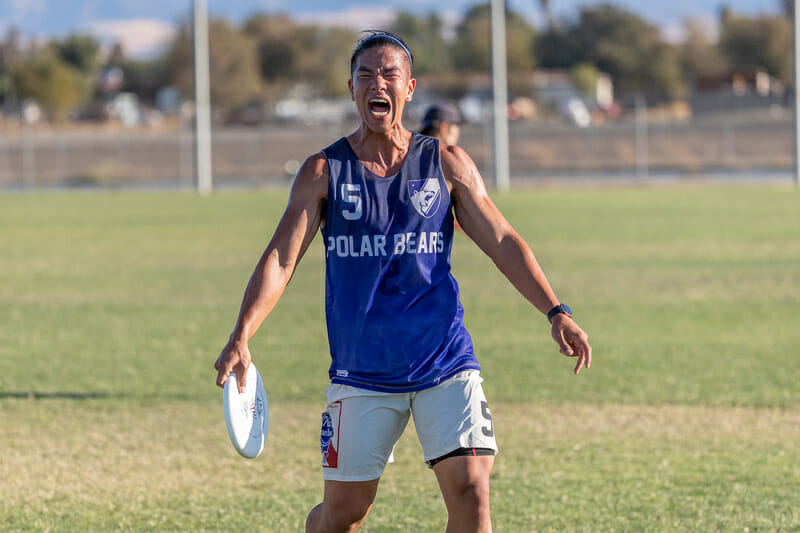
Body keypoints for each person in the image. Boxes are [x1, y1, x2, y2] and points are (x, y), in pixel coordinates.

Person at [214, 31, 592, 533]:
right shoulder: (324, 171)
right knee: (343, 516)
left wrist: (556, 311)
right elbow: (282, 259)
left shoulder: (446, 165)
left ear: (408, 88)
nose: (378, 82)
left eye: (389, 74)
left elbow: (503, 241)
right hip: (362, 371)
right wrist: (243, 333)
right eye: (367, 74)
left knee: (472, 492)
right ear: (351, 88)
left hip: (444, 360)